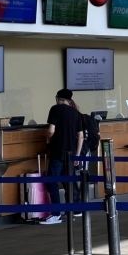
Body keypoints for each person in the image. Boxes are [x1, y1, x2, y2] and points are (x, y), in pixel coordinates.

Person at [42, 89, 83, 226]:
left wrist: (47, 139)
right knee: (68, 182)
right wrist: (77, 154)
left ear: (58, 98)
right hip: (71, 153)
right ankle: (72, 211)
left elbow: (51, 130)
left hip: (57, 151)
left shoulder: (55, 109)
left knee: (51, 181)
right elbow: (81, 136)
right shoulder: (76, 113)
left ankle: (56, 214)